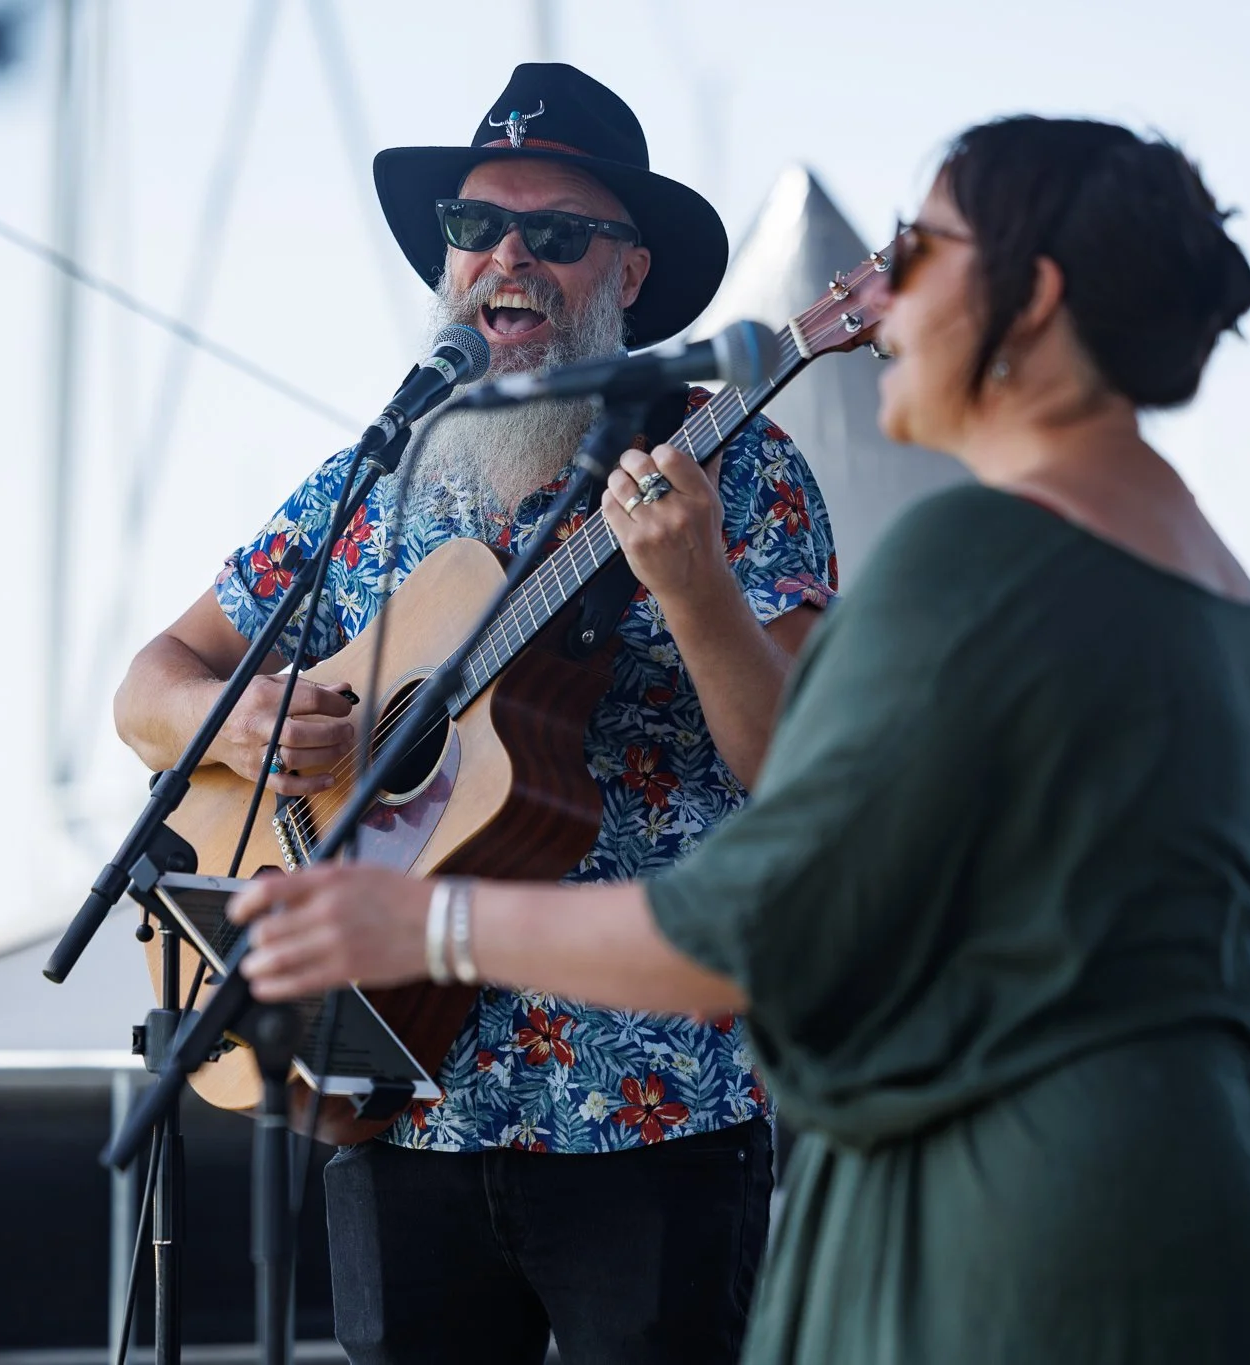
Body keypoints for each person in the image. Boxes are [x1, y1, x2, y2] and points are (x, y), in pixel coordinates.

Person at [227, 114, 1250, 1364]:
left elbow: (769, 923)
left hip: (1052, 1228)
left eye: (914, 250)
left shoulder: (978, 549)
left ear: (1031, 301)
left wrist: (417, 923)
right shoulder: (1210, 579)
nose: (878, 296)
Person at [112, 63, 836, 1365]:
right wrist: (250, 722)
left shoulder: (735, 466)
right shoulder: (378, 476)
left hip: (644, 1107)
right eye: (475, 227)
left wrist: (694, 583)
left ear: (630, 270)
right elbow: (151, 683)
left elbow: (799, 770)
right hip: (394, 1093)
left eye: (555, 234)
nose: (508, 257)